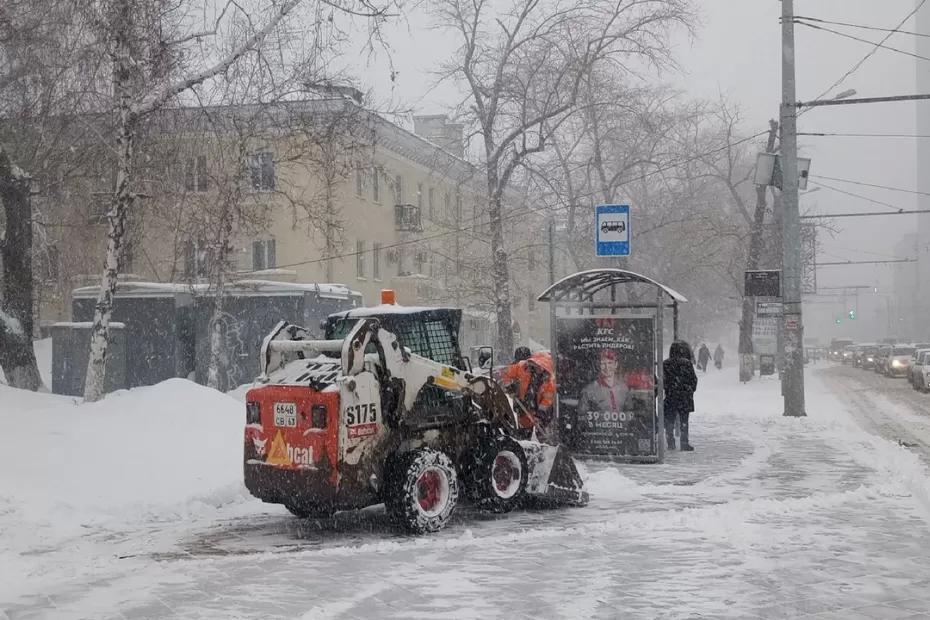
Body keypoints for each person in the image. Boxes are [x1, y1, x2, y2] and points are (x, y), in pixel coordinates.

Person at [663, 341, 698, 451]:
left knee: (669, 421)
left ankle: (670, 442)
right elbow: (693, 380)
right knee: (684, 421)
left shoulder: (665, 364)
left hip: (670, 396)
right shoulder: (687, 364)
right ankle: (684, 443)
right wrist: (689, 390)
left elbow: (663, 381)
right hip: (684, 397)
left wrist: (669, 388)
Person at [577, 349, 630, 417]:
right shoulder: (588, 390)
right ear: (598, 365)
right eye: (603, 364)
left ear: (616, 364)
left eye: (610, 363)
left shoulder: (624, 389)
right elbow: (582, 418)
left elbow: (630, 415)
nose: (607, 367)